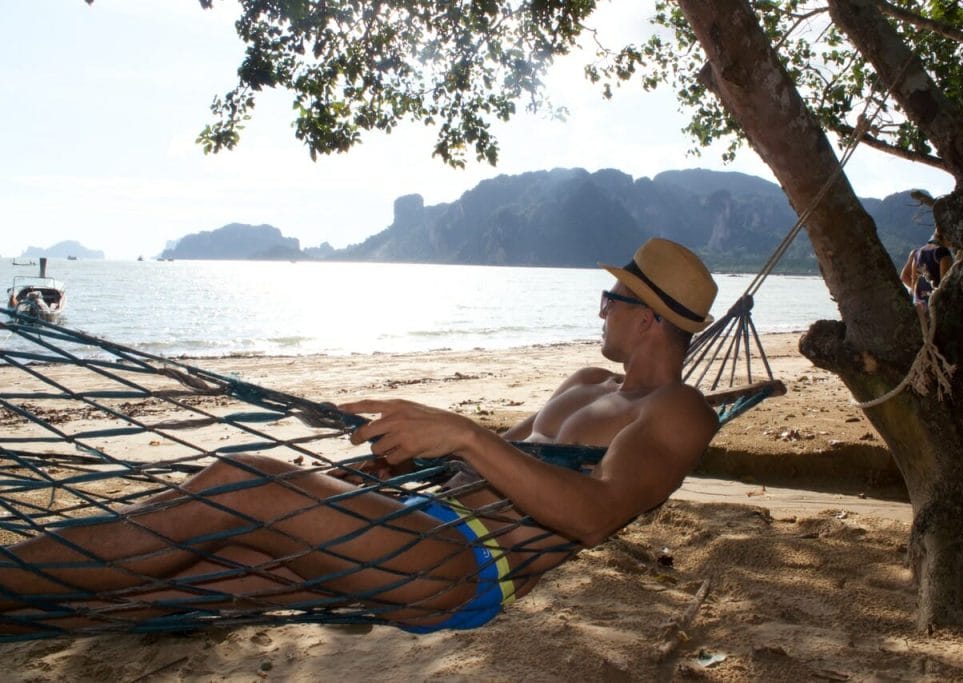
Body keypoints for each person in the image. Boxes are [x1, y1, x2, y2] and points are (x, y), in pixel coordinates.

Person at [0, 237, 720, 635]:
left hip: (463, 558)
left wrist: (463, 433)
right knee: (206, 577)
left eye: (611, 298)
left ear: (648, 317)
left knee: (237, 481)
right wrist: (395, 464)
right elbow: (489, 461)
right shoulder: (584, 383)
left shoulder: (677, 411)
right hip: (413, 520)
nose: (600, 310)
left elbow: (596, 515)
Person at [900, 229, 953, 310]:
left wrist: (918, 292)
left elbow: (904, 276)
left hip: (920, 307)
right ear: (946, 237)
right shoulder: (942, 252)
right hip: (937, 306)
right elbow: (945, 285)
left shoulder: (916, 253)